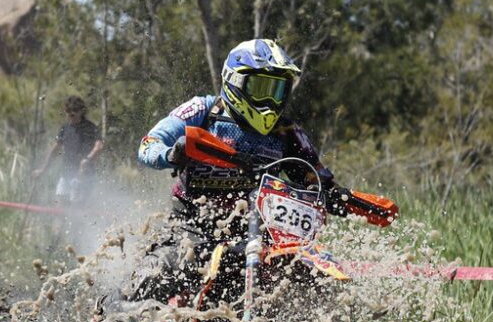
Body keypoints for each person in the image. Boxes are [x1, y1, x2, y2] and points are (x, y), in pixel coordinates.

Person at [133, 38, 371, 303]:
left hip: (257, 229)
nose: (270, 100)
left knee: (302, 275)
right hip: (192, 223)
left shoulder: (287, 132)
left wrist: (336, 197)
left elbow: (316, 176)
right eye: (261, 88)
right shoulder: (204, 110)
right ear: (235, 81)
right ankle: (113, 313)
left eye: (278, 90)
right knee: (156, 272)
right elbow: (148, 144)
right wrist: (171, 153)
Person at [33, 96, 104, 202]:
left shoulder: (90, 127)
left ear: (81, 111)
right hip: (66, 174)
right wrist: (43, 170)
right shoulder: (64, 128)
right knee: (59, 204)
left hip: (84, 176)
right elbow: (54, 150)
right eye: (68, 111)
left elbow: (99, 146)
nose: (72, 113)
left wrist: (87, 160)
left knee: (76, 209)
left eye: (75, 110)